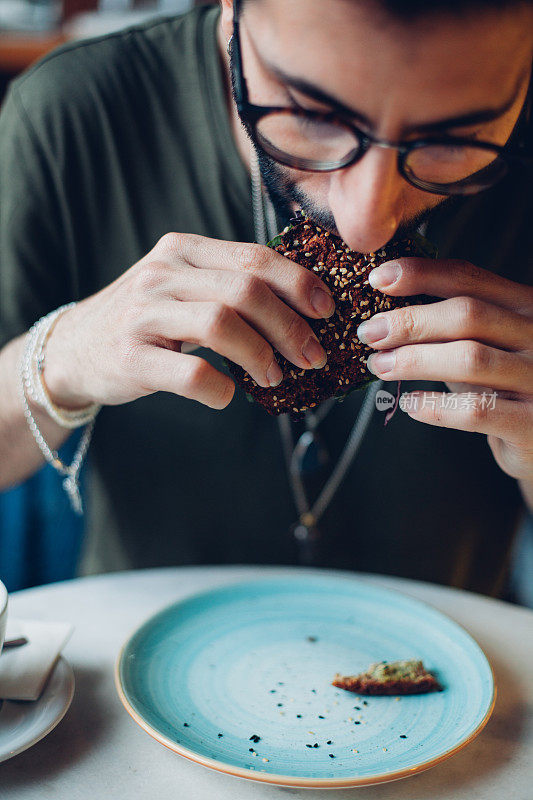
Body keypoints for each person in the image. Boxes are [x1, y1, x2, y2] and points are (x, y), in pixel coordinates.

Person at [0, 0, 531, 595]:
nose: (365, 224)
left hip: (475, 664)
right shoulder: (74, 112)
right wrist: (61, 355)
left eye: (453, 139)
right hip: (126, 662)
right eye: (310, 114)